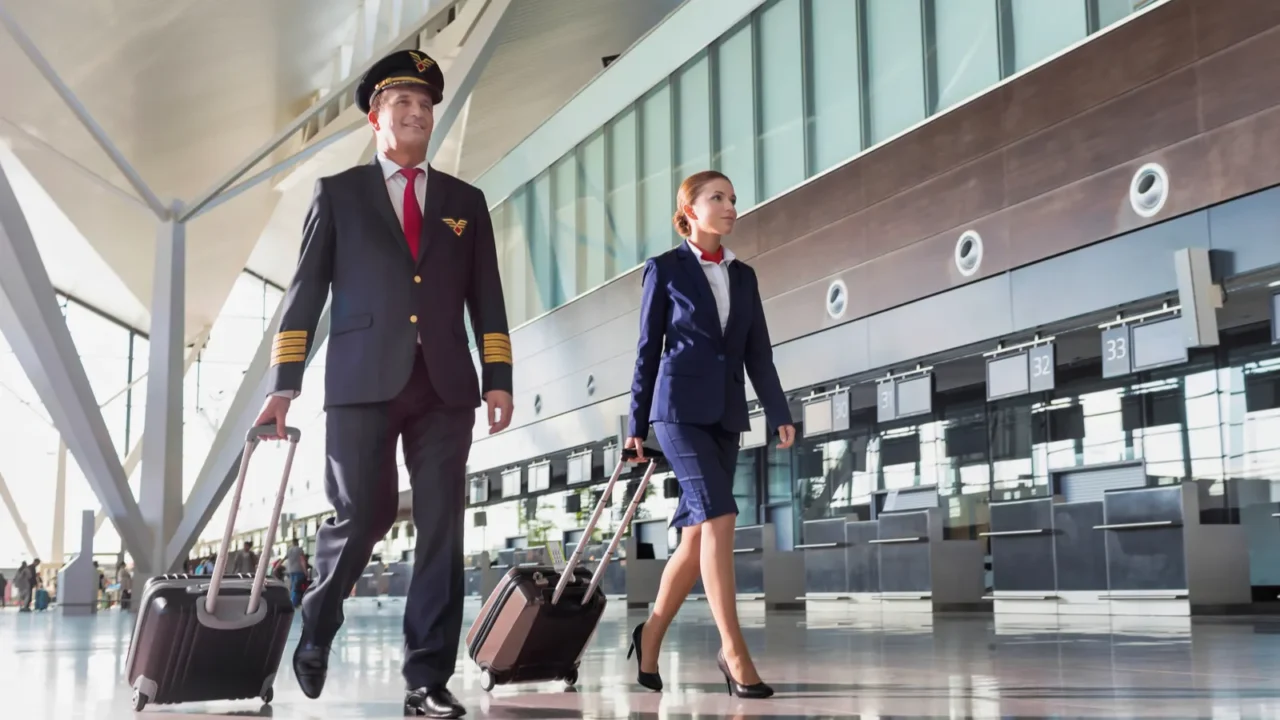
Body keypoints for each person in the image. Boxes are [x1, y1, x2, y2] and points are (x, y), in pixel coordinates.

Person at [253, 48, 514, 719]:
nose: (416, 113)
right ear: (376, 117)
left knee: (441, 529)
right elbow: (305, 293)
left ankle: (426, 679)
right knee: (363, 514)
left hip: (446, 387)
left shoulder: (465, 202)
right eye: (403, 103)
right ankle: (319, 616)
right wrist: (283, 385)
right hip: (361, 382)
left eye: (425, 105)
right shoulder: (337, 194)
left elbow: (488, 297)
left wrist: (499, 378)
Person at [624, 170, 795, 699]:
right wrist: (635, 424)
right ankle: (733, 651)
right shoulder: (665, 269)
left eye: (733, 199)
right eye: (717, 197)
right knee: (721, 514)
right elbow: (647, 349)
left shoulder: (743, 276)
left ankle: (650, 636)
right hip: (676, 411)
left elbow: (757, 353)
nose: (729, 206)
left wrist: (779, 411)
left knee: (697, 533)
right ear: (689, 211)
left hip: (725, 414)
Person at [284, 539, 308, 608]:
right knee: (297, 587)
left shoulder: (289, 550)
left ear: (292, 543)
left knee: (293, 586)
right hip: (299, 570)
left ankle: (292, 601)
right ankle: (294, 603)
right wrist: (305, 571)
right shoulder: (299, 549)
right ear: (297, 543)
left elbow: (284, 559)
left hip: (291, 571)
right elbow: (302, 560)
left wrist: (276, 567)